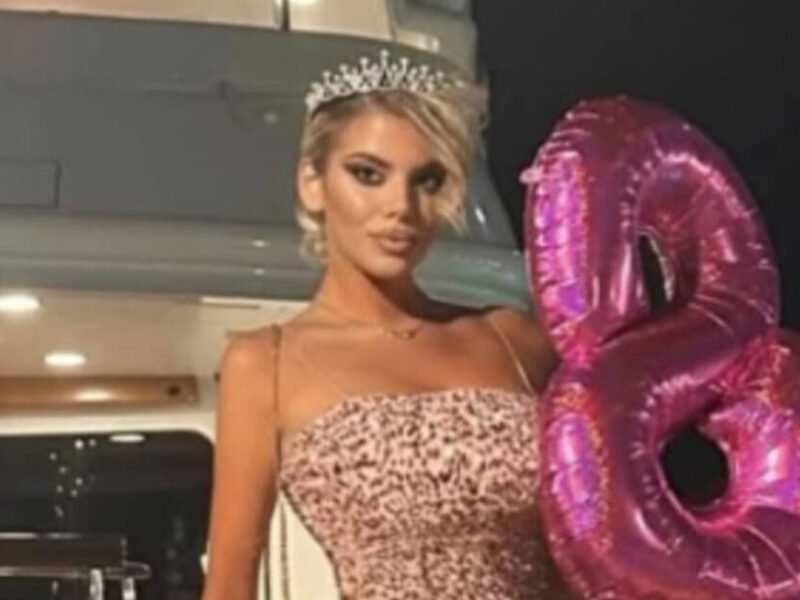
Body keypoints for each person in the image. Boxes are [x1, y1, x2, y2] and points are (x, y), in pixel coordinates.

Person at [201, 50, 570, 600]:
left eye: (426, 180)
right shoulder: (264, 364)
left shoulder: (514, 339)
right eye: (368, 174)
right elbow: (230, 587)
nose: (400, 206)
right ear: (312, 182)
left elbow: (580, 557)